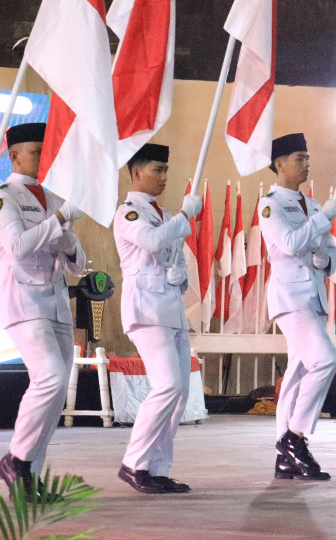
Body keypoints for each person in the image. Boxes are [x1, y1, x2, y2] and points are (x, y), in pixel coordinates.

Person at [0, 123, 86, 499]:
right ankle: (16, 459)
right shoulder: (6, 197)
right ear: (14, 155)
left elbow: (78, 262)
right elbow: (17, 247)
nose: (42, 158)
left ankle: (28, 477)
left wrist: (66, 238)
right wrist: (60, 221)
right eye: (36, 151)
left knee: (55, 395)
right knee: (49, 377)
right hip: (24, 300)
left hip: (56, 303)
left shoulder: (50, 199)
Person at [114, 143, 203, 494]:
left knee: (179, 394)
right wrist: (184, 217)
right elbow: (150, 242)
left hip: (171, 311)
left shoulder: (165, 215)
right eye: (157, 170)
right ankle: (134, 464)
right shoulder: (128, 212)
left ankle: (157, 468)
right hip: (147, 311)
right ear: (137, 173)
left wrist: (178, 274)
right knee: (166, 386)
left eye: (166, 170)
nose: (164, 177)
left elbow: (172, 257)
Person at [260, 133, 336, 481]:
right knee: (326, 361)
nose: (306, 163)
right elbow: (291, 243)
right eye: (299, 157)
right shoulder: (271, 204)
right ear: (280, 164)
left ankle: (284, 457)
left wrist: (326, 258)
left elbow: (330, 251)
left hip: (313, 296)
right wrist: (323, 220)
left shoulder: (309, 205)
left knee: (297, 374)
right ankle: (295, 438)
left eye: (307, 157)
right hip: (291, 297)